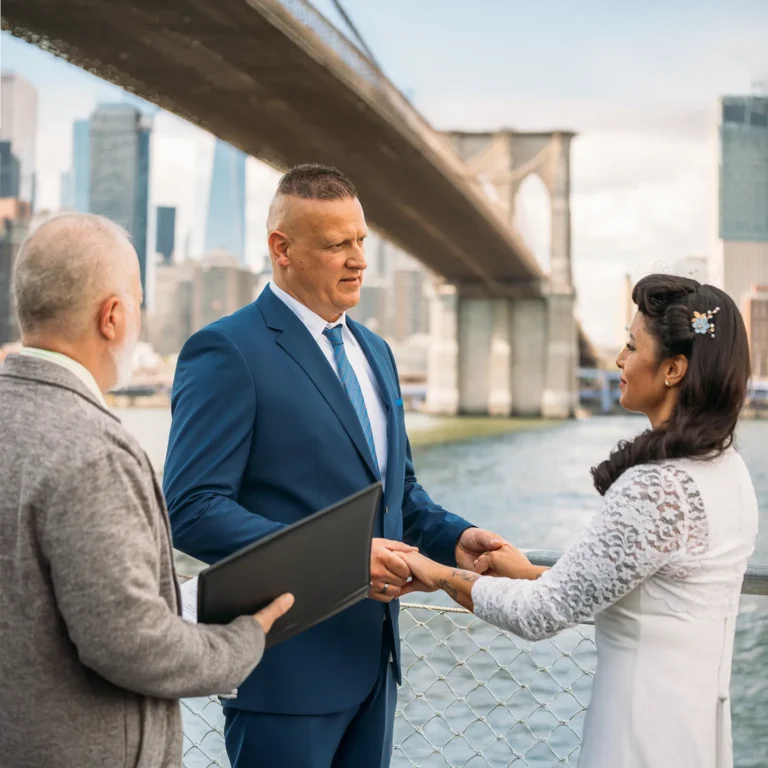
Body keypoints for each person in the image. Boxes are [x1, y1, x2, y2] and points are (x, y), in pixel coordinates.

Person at [163, 164, 507, 767]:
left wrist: (455, 537)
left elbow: (397, 492)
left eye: (361, 241)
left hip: (375, 667)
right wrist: (339, 563)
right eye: (336, 244)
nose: (358, 260)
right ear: (282, 249)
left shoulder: (376, 352)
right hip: (284, 674)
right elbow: (191, 510)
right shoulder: (226, 350)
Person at [402, 274, 758, 768]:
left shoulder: (658, 487)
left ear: (674, 368)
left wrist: (437, 574)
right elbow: (651, 596)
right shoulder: (727, 469)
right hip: (697, 729)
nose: (619, 360)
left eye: (632, 346)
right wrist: (528, 571)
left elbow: (540, 613)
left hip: (638, 733)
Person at [0, 213, 294, 768]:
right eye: (137, 302)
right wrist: (242, 640)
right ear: (112, 317)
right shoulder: (93, 452)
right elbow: (131, 644)